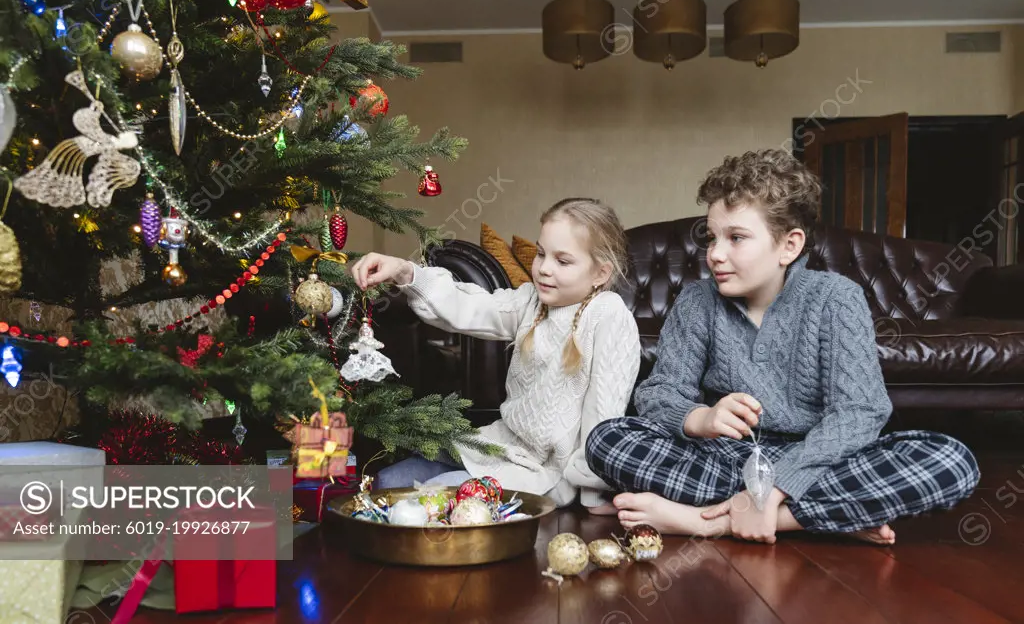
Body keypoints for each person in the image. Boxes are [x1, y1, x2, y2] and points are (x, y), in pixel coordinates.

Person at [585, 149, 980, 544]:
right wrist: (701, 418)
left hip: (816, 461)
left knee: (951, 461)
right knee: (608, 440)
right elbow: (660, 393)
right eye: (712, 237)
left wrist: (773, 490)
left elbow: (859, 413)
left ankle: (709, 521)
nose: (715, 254)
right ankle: (828, 517)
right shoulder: (697, 302)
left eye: (736, 238)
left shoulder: (837, 298)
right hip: (727, 458)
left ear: (789, 246)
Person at [350, 198, 641, 510]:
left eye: (563, 261)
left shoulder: (608, 314)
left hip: (549, 476)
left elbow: (604, 419)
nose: (544, 269)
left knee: (424, 501)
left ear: (600, 273)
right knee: (388, 483)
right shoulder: (531, 302)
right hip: (501, 448)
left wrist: (592, 499)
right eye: (542, 253)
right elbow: (468, 308)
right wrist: (405, 272)